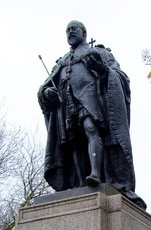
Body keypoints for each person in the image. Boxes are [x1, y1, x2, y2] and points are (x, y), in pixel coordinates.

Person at [38, 21, 145, 209]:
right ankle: (79, 182)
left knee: (90, 129)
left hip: (89, 100)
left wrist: (103, 70)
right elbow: (46, 86)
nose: (70, 32)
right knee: (73, 143)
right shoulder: (62, 61)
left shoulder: (101, 53)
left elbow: (121, 77)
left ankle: (95, 173)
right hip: (67, 105)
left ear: (84, 33)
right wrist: (46, 93)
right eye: (67, 30)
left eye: (74, 29)